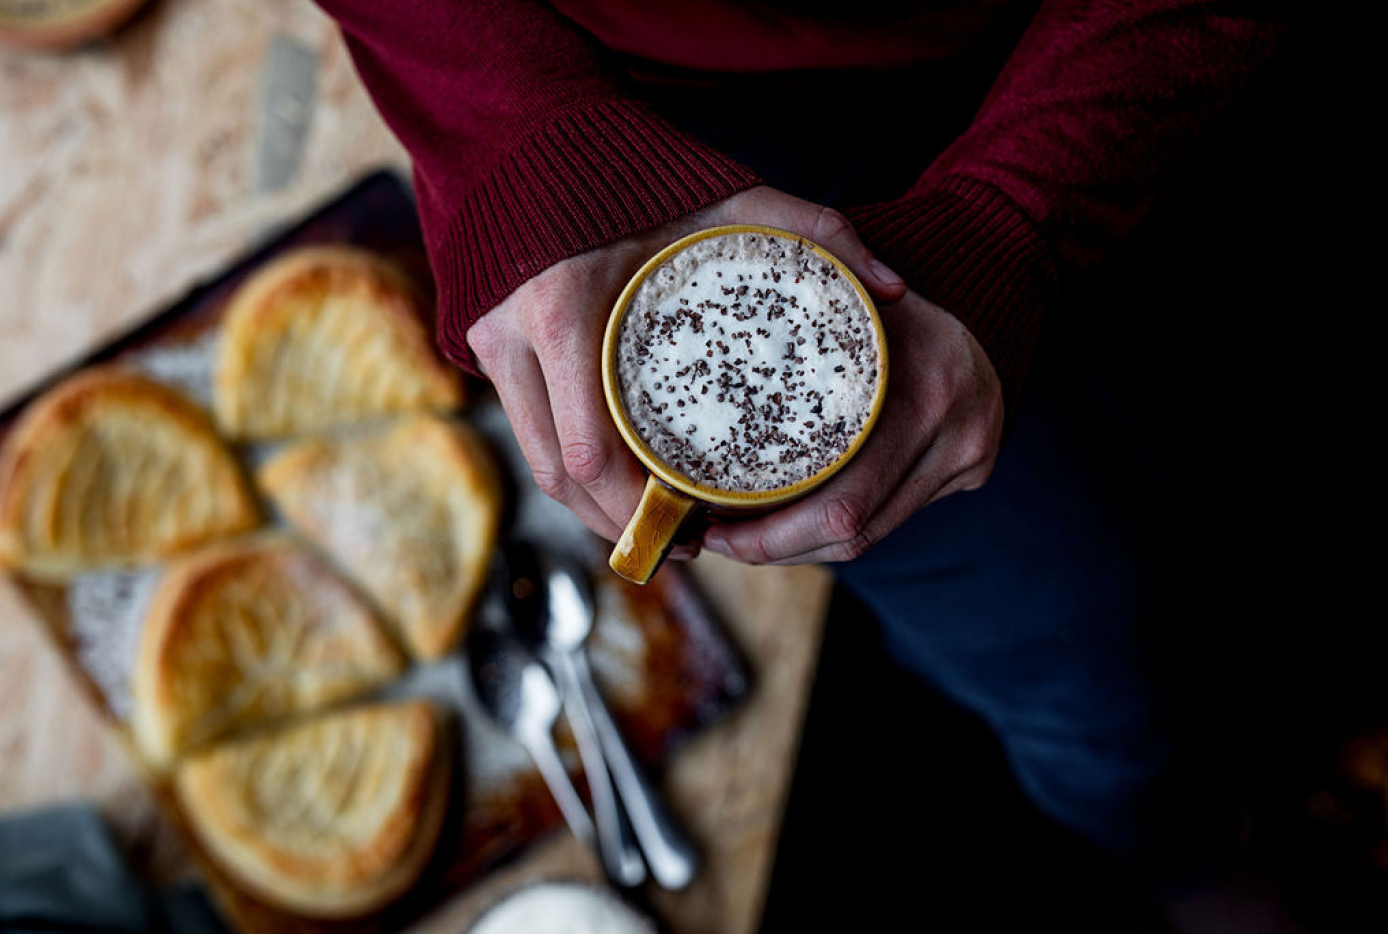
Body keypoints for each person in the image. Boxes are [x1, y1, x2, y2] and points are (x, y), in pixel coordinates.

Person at [312, 0, 1310, 926]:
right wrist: (512, 124)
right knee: (1093, 648)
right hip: (638, 95)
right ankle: (1192, 849)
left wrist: (1026, 205)